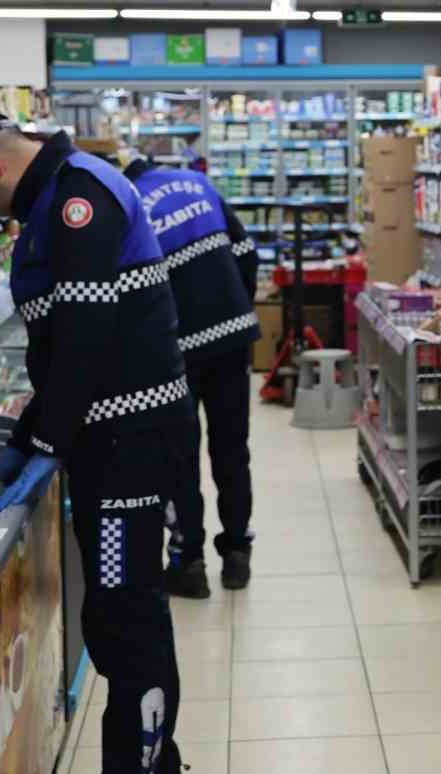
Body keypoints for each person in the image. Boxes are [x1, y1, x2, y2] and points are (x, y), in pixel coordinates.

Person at [0, 113, 191, 774]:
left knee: (126, 620)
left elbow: (84, 337)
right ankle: (149, 773)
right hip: (109, 439)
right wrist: (30, 433)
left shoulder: (79, 196)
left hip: (129, 445)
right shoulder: (56, 196)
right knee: (124, 615)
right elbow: (63, 348)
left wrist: (47, 437)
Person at [123, 157, 261, 597]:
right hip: (231, 338)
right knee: (232, 449)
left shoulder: (130, 204)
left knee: (179, 459)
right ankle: (238, 553)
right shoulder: (198, 183)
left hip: (175, 352)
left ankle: (190, 564)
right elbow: (246, 253)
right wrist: (236, 308)